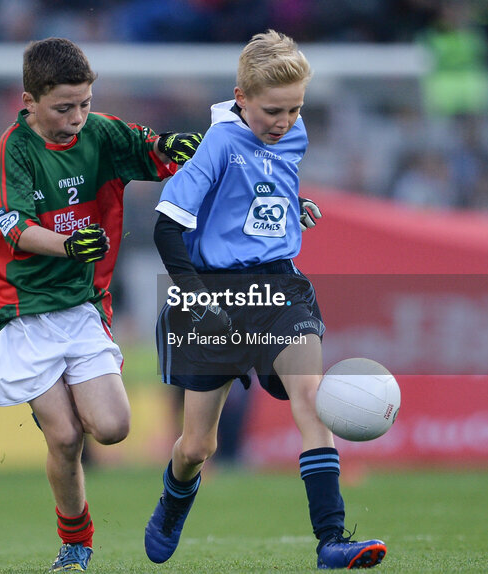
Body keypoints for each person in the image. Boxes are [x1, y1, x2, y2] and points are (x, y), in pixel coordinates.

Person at [143, 30, 387, 569]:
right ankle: (173, 502)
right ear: (241, 97)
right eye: (273, 110)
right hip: (213, 293)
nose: (284, 121)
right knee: (196, 447)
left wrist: (291, 203)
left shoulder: (294, 135)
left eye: (295, 109)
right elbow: (166, 227)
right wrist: (195, 298)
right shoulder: (217, 144)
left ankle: (331, 541)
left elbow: (260, 186)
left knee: (312, 399)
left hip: (279, 288)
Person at [0, 37, 202, 573]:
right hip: (20, 306)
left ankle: (63, 399)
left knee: (114, 427)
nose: (76, 118)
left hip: (80, 303)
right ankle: (76, 542)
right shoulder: (15, 148)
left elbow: (153, 150)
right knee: (66, 436)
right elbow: (15, 227)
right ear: (29, 102)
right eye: (63, 107)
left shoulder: (100, 133)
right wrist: (70, 245)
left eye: (84, 104)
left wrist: (176, 146)